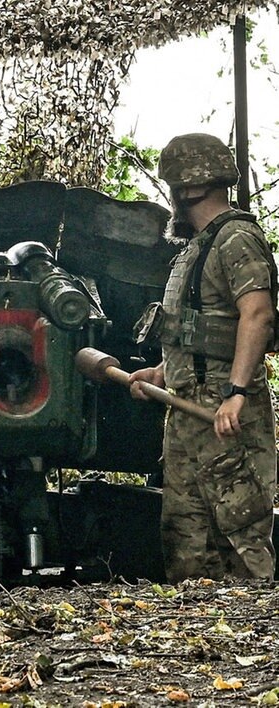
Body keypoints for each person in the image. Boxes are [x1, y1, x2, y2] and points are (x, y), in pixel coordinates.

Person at [128, 133, 277, 583]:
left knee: (241, 535)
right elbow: (199, 332)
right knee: (187, 540)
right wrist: (160, 372)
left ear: (188, 189)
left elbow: (258, 314)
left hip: (222, 413)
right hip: (187, 411)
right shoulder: (198, 246)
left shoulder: (236, 239)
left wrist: (234, 394)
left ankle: (259, 641)